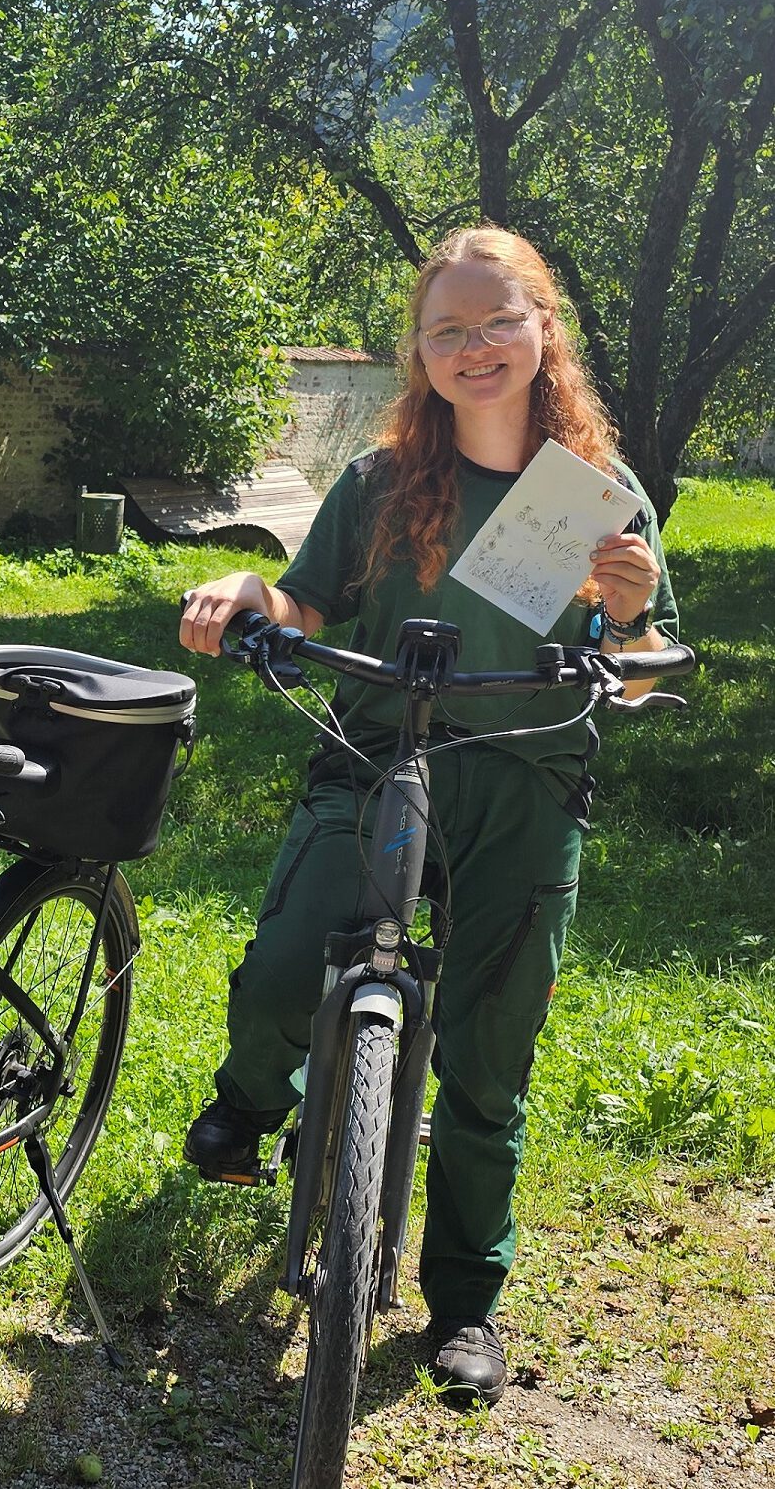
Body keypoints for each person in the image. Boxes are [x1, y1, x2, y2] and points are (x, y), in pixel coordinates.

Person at [178, 225, 678, 1406]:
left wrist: (635, 613)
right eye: (447, 329)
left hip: (527, 789)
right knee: (282, 971)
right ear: (418, 351)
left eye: (498, 320)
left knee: (489, 1060)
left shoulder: (599, 497)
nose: (476, 347)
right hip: (376, 757)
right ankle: (251, 1101)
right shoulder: (382, 482)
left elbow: (646, 674)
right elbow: (305, 600)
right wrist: (259, 591)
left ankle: (464, 1303)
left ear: (542, 326)